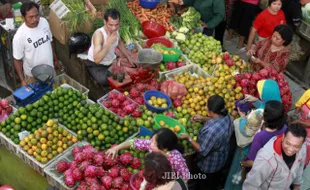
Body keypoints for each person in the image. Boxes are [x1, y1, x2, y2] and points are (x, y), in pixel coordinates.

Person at [179, 95, 234, 190]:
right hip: (222, 156)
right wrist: (202, 118)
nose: (205, 107)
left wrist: (189, 138)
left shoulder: (211, 132)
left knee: (205, 184)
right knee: (213, 179)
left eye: (206, 106)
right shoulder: (227, 115)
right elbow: (216, 120)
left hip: (209, 165)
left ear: (211, 112)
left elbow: (202, 150)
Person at [106, 128, 190, 180]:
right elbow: (133, 143)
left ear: (164, 149)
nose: (150, 143)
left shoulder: (176, 159)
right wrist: (116, 148)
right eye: (152, 140)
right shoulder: (151, 145)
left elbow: (185, 177)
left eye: (154, 143)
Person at [243, 124, 307, 189]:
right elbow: (250, 185)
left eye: (296, 146)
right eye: (288, 143)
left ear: (302, 144)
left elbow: (299, 168)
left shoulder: (303, 149)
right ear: (283, 137)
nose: (290, 149)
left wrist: (297, 185)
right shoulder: (266, 157)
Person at [13, 2, 61, 86]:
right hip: (32, 77)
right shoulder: (19, 36)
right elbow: (17, 59)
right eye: (31, 17)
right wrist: (22, 80)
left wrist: (55, 60)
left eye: (37, 15)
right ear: (23, 18)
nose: (35, 19)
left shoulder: (44, 22)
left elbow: (50, 41)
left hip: (50, 69)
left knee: (54, 92)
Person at [86, 8, 136, 86]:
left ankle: (114, 66)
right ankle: (112, 68)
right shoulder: (99, 35)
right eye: (111, 25)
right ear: (105, 22)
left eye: (116, 25)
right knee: (105, 80)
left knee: (133, 68)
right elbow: (96, 60)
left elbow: (119, 43)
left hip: (110, 61)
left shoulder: (115, 30)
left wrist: (128, 57)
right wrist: (108, 43)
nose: (114, 28)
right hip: (97, 65)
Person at [224, 108, 264, 189]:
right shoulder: (259, 134)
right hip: (249, 157)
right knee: (242, 175)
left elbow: (240, 121)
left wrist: (243, 116)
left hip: (240, 154)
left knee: (235, 171)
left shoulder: (242, 127)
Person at [241, 100, 287, 168]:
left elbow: (252, 162)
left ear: (265, 117)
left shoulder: (260, 137)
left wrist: (242, 164)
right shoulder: (285, 128)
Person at [292, 89, 310, 167]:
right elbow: (300, 103)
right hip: (299, 123)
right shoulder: (309, 92)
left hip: (308, 133)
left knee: (303, 153)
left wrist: (299, 122)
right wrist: (295, 114)